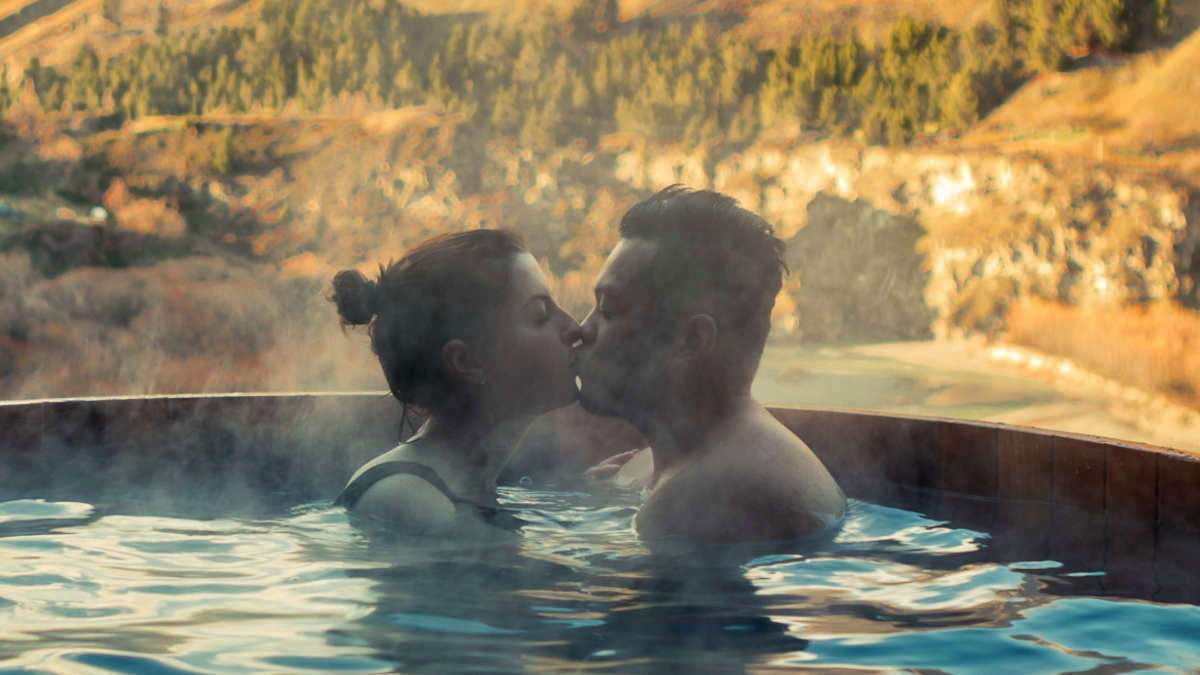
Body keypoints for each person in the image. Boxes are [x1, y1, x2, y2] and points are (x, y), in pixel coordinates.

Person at [573, 185, 846, 548]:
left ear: (690, 340)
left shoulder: (701, 499)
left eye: (608, 311)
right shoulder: (671, 465)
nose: (582, 329)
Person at [331, 229, 581, 537]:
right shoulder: (407, 498)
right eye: (541, 314)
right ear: (468, 362)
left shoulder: (468, 486)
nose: (574, 327)